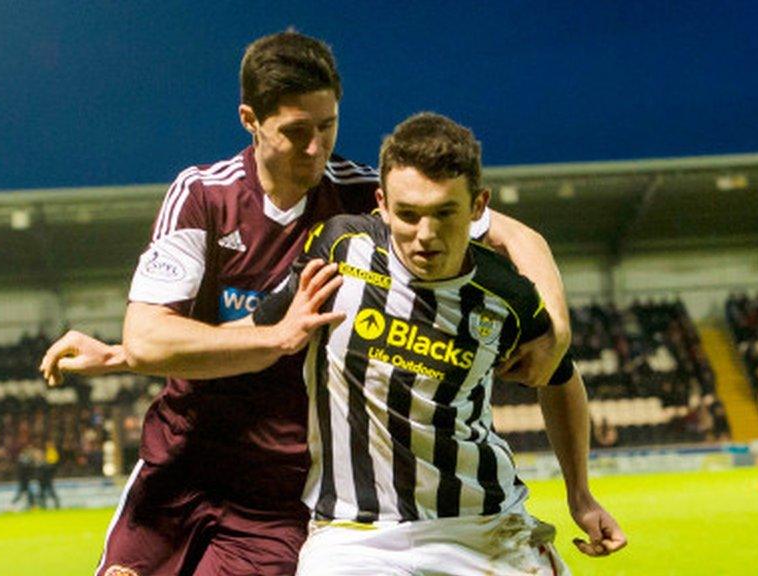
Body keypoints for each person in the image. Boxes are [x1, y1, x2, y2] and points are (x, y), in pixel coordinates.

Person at [41, 32, 573, 576]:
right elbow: (152, 336)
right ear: (250, 119)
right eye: (297, 132)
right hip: (182, 463)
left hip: (279, 490)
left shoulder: (367, 199)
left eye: (328, 126)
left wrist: (556, 331)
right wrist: (138, 353)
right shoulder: (204, 194)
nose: (317, 147)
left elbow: (519, 237)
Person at [233, 112, 625, 574]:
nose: (426, 235)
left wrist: (580, 495)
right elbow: (257, 329)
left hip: (487, 528)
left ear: (478, 206)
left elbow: (559, 378)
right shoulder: (340, 247)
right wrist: (159, 346)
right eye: (408, 214)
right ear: (380, 203)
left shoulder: (508, 297)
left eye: (445, 213)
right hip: (355, 537)